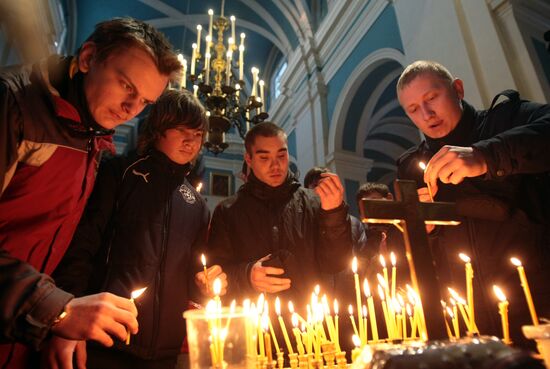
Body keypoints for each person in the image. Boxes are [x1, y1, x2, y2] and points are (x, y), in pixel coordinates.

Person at [0, 17, 181, 367]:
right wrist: (58, 310)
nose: (132, 110)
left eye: (145, 101)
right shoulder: (13, 103)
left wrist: (61, 319)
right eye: (126, 86)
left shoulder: (95, 138)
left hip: (22, 336)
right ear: (87, 58)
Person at [50, 89, 226, 369]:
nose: (191, 141)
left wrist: (206, 283)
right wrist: (68, 312)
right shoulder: (119, 172)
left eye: (198, 134)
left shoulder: (196, 204)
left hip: (166, 351)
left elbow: (194, 277)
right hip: (107, 338)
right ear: (159, 129)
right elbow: (82, 246)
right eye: (182, 130)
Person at [396, 60, 550, 345]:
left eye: (432, 98)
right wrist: (424, 232)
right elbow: (421, 257)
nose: (427, 114)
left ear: (458, 89)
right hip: (468, 320)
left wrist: (486, 156)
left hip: (538, 304)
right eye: (414, 109)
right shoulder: (410, 169)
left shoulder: (505, 120)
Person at [206, 122, 353, 307]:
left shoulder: (314, 202)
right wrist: (246, 275)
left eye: (281, 156)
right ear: (249, 159)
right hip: (253, 324)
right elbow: (214, 274)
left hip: (309, 322)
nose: (275, 165)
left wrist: (333, 213)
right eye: (264, 158)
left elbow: (336, 263)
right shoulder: (228, 211)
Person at [304, 166, 367, 255]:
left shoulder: (353, 223)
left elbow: (361, 254)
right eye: (315, 186)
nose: (323, 190)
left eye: (327, 185)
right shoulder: (302, 222)